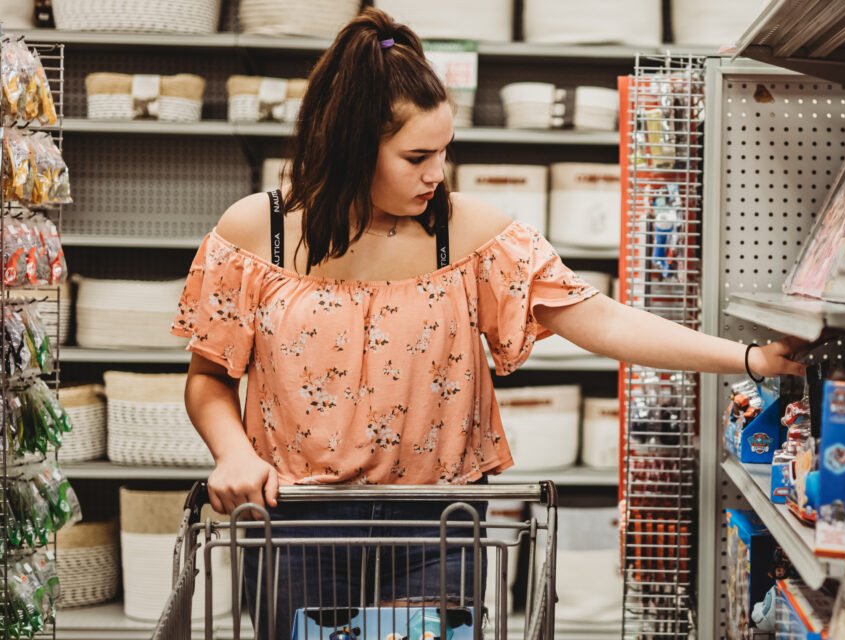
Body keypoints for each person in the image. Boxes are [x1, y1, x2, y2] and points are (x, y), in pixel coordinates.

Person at [173, 7, 804, 637]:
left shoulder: (468, 235)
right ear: (351, 147)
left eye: (444, 150)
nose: (436, 173)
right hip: (295, 524)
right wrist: (233, 454)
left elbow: (601, 320)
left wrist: (751, 359)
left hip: (439, 530)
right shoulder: (257, 234)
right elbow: (208, 379)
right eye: (416, 155)